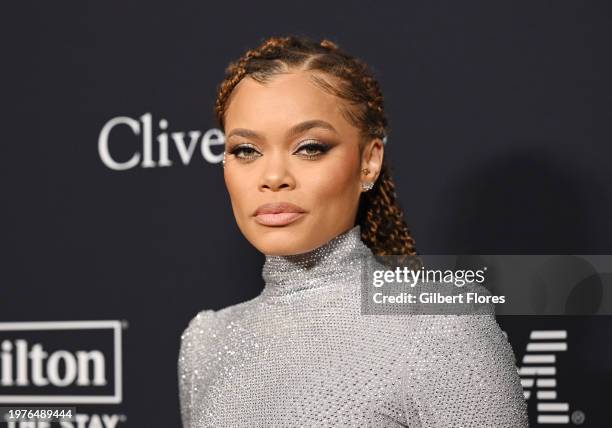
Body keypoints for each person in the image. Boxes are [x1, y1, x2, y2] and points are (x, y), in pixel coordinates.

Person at [178, 34, 529, 427]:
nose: (273, 176)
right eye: (246, 151)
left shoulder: (442, 324)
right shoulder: (206, 342)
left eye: (309, 147)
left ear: (369, 162)